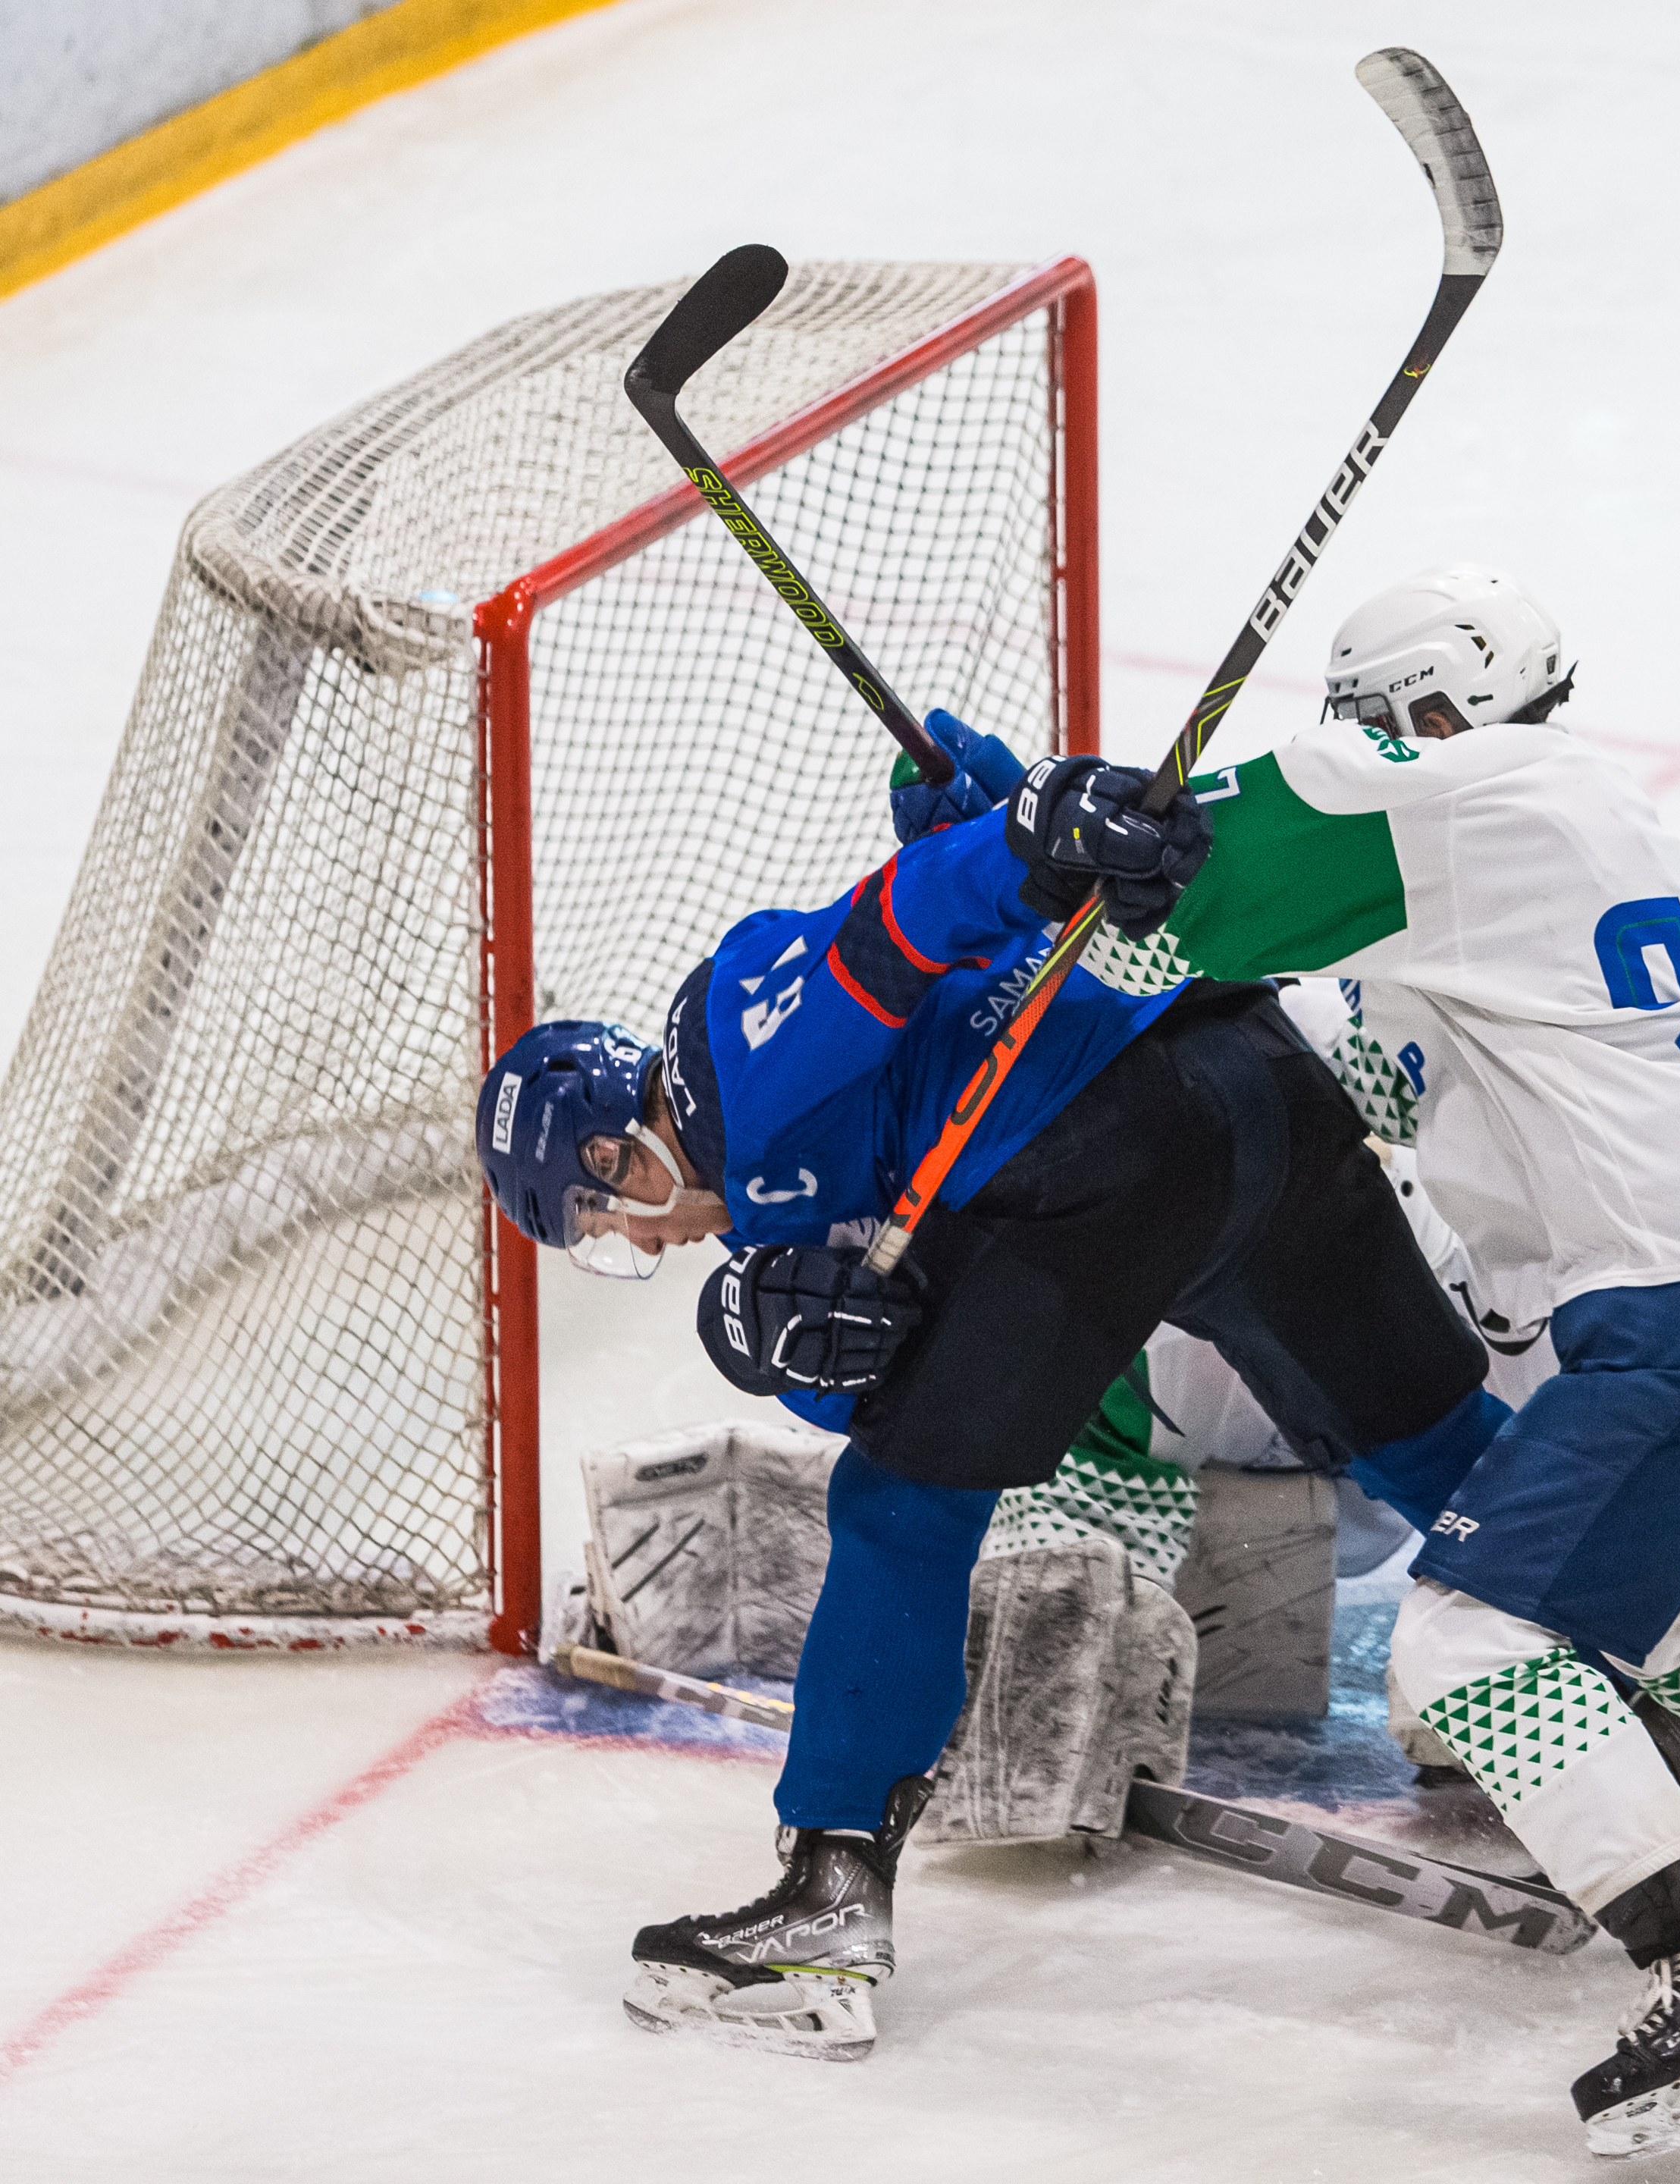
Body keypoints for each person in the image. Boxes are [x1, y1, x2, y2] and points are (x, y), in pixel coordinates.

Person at [1094, 564, 1680, 2159]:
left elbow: (1210, 875)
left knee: (1456, 1648)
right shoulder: (1558, 836)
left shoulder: (1467, 798)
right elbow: (1355, 1040)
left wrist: (1063, 835)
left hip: (1678, 1309)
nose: (1369, 750)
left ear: (1431, 718)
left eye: (1381, 727)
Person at [475, 711, 1496, 2058]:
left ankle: (827, 1902)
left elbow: (887, 934)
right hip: (1263, 1101)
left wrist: (1016, 843)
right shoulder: (776, 1214)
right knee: (1439, 1446)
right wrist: (795, 1361)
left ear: (611, 1155)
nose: (639, 1245)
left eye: (607, 1223)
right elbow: (899, 1356)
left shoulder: (729, 1037)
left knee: (902, 1508)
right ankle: (1675, 1728)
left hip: (1116, 1155)